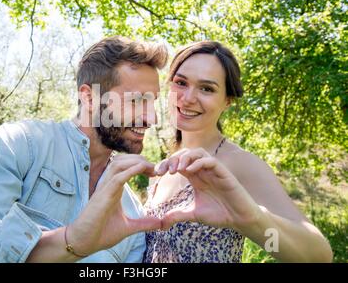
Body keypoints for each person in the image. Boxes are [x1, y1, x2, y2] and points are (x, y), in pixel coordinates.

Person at [0, 36, 168, 263]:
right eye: (136, 101)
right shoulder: (21, 143)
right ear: (89, 97)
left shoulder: (131, 214)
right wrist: (68, 241)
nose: (151, 118)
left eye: (153, 102)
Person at [142, 41, 333, 263]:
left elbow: (318, 256)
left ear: (227, 101)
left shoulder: (238, 164)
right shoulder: (163, 169)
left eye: (207, 88)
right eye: (181, 82)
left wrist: (250, 219)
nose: (188, 98)